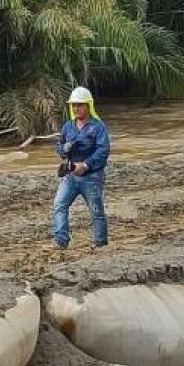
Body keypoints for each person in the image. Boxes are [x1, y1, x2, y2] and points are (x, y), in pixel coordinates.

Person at [51, 86, 111, 249]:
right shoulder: (68, 126)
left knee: (96, 210)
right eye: (74, 105)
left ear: (88, 105)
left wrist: (86, 164)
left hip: (91, 176)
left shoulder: (98, 127)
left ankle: (100, 243)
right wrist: (64, 150)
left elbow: (103, 150)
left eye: (80, 105)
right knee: (59, 204)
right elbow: (59, 145)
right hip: (70, 176)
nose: (76, 108)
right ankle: (61, 240)